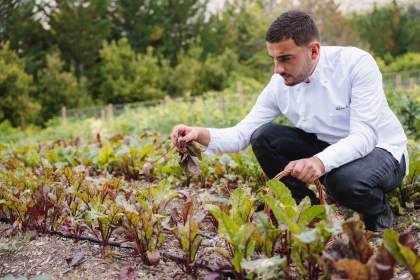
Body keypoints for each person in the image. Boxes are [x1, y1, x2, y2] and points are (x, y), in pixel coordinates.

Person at [170, 10, 408, 232]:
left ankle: (378, 213)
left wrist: (319, 161)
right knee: (263, 137)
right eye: (273, 59)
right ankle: (311, 210)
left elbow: (364, 136)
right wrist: (199, 133)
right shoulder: (279, 85)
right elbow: (242, 134)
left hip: (382, 151)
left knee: (343, 181)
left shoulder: (355, 64)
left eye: (285, 58)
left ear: (313, 51)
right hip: (327, 149)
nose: (277, 69)